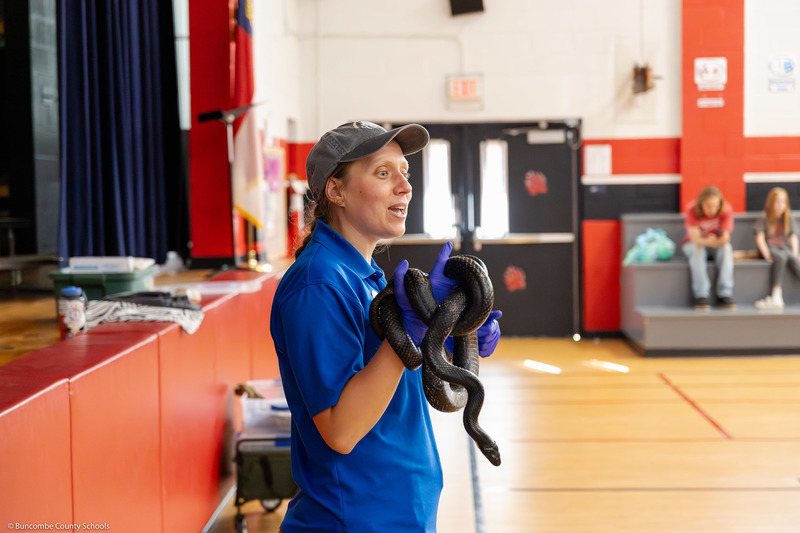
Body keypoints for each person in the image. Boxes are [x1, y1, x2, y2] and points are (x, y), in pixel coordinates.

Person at [269, 121, 503, 533]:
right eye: (383, 173)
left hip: (399, 514)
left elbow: (387, 385)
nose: (405, 186)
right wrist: (408, 335)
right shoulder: (318, 284)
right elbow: (341, 430)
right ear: (336, 191)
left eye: (405, 173)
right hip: (354, 521)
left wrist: (453, 335)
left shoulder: (367, 275)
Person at [680, 186, 737, 310]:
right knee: (697, 249)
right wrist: (707, 241)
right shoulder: (692, 209)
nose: (712, 210)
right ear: (701, 204)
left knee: (726, 248)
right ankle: (701, 295)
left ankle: (724, 294)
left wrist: (713, 240)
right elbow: (695, 238)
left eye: (715, 206)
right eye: (708, 206)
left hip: (715, 244)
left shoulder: (726, 210)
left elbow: (725, 237)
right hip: (692, 244)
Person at [753, 187, 800, 309]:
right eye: (778, 202)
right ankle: (776, 294)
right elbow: (760, 237)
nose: (781, 205)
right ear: (771, 202)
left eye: (783, 202)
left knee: (792, 259)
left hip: (784, 247)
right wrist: (766, 254)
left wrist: (795, 253)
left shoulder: (788, 217)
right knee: (781, 257)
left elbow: (793, 236)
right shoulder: (764, 216)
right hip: (770, 247)